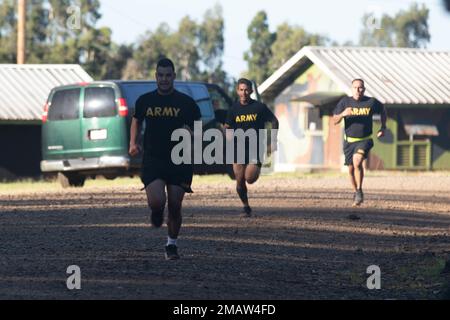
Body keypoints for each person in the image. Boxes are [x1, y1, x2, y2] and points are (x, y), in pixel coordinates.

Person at [129, 58, 201, 260]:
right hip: (154, 159)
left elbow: (197, 128)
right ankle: (156, 210)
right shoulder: (145, 101)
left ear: (174, 77)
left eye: (168, 75)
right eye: (160, 75)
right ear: (156, 76)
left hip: (179, 160)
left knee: (176, 206)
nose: (164, 79)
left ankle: (171, 244)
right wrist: (132, 143)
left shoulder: (186, 103)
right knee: (157, 201)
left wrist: (192, 134)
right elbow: (136, 121)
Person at [224, 78, 279, 217]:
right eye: (241, 90)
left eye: (247, 90)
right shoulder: (233, 109)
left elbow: (274, 121)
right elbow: (228, 127)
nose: (244, 93)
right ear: (237, 91)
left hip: (256, 147)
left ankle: (256, 168)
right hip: (238, 148)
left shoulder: (259, 107)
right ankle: (246, 207)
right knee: (239, 181)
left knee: (249, 178)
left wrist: (272, 140)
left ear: (251, 91)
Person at [333, 79, 387, 207]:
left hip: (365, 139)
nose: (358, 90)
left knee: (357, 162)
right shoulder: (345, 102)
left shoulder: (371, 102)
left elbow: (383, 110)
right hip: (349, 141)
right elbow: (335, 120)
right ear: (351, 89)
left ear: (364, 89)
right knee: (351, 169)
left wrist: (383, 127)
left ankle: (359, 189)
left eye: (360, 88)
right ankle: (357, 191)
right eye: (355, 88)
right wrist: (343, 114)